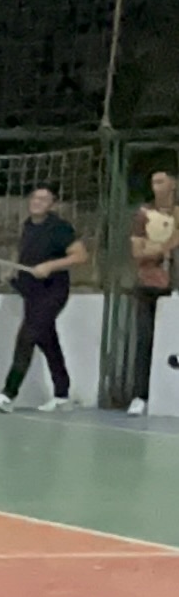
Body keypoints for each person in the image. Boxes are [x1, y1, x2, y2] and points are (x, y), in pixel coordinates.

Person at [0, 183, 86, 412]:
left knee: (27, 337)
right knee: (48, 341)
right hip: (32, 293)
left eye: (43, 199)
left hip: (53, 292)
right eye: (34, 198)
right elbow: (22, 252)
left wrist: (50, 266)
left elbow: (80, 256)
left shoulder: (60, 228)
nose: (37, 202)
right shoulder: (28, 226)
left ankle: (8, 395)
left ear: (52, 204)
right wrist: (11, 270)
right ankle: (62, 394)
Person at [127, 166, 178, 413]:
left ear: (173, 184)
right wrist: (163, 248)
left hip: (175, 283)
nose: (156, 187)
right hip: (150, 283)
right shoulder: (144, 214)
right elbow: (138, 252)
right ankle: (141, 395)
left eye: (161, 181)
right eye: (153, 182)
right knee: (145, 339)